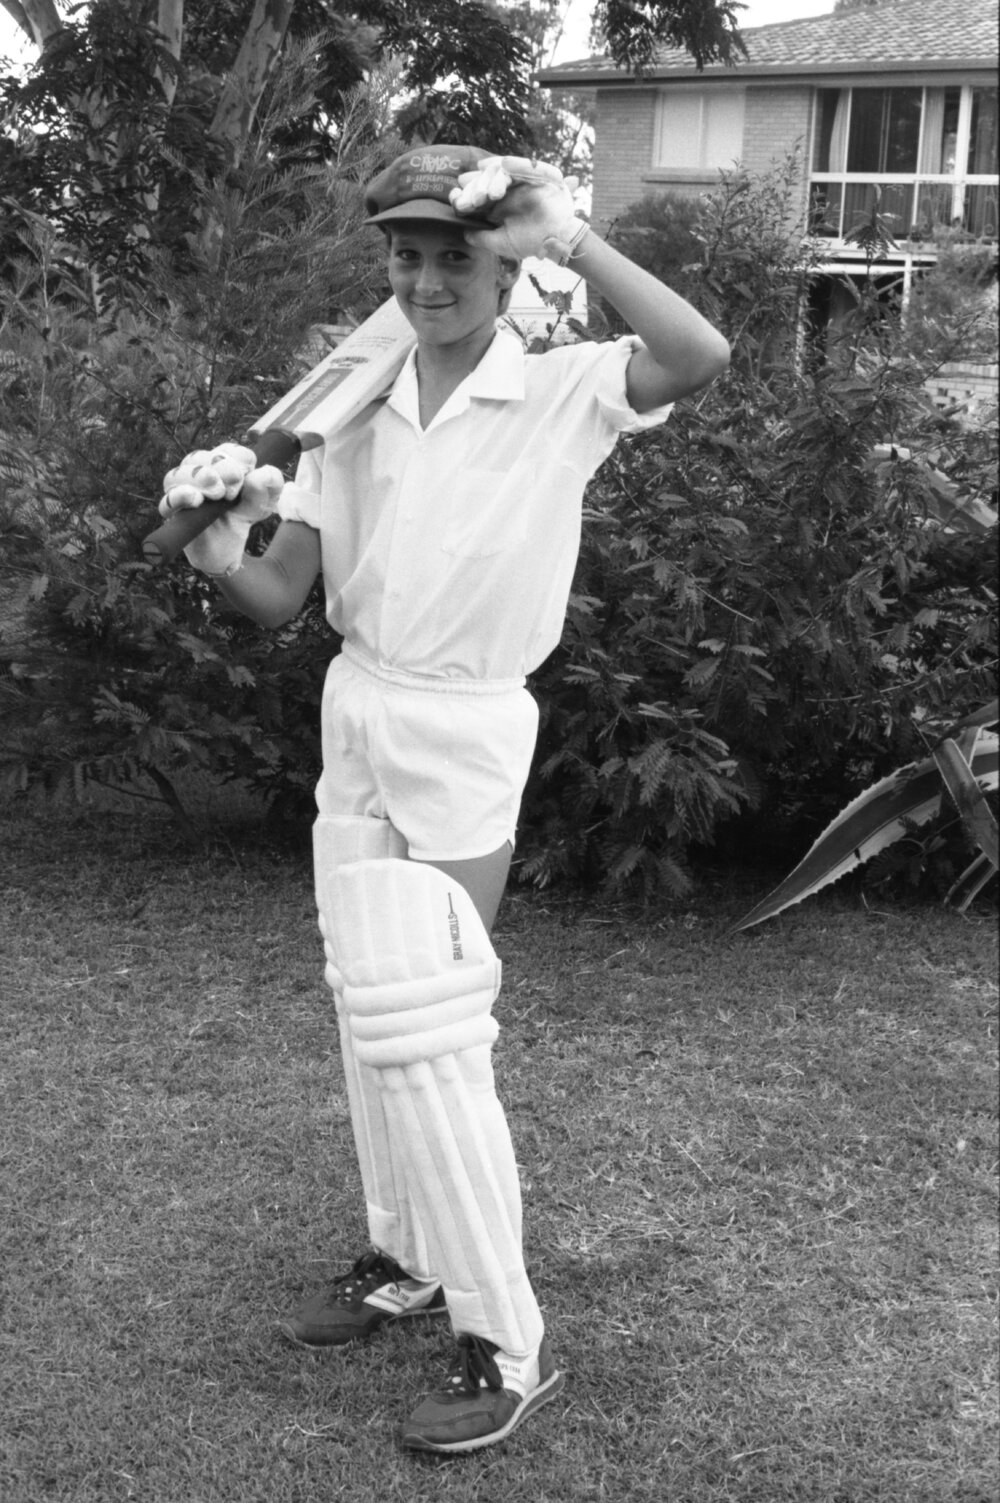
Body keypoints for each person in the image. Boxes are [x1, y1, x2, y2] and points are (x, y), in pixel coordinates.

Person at [159, 143, 729, 1455]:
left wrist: (567, 240)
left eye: (453, 256)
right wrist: (207, 541)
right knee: (371, 1021)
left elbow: (698, 354)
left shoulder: (563, 386)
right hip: (361, 707)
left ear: (498, 264)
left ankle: (506, 1341)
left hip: (469, 722)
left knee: (430, 1026)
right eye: (406, 257)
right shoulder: (350, 403)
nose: (425, 279)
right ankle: (405, 1256)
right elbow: (279, 592)